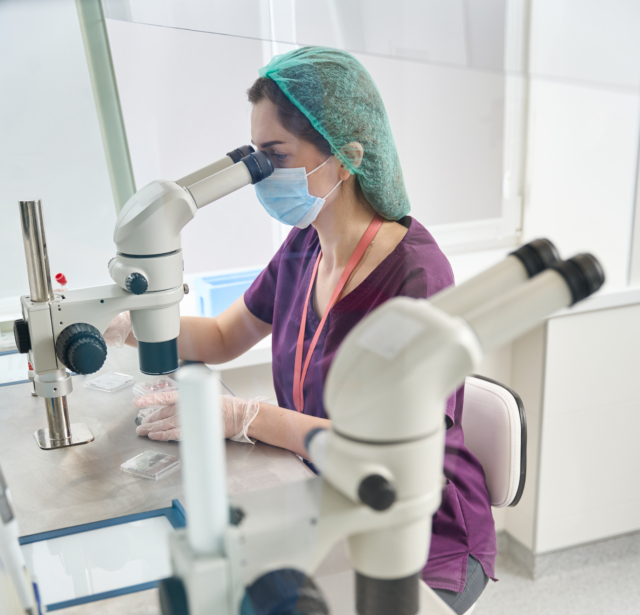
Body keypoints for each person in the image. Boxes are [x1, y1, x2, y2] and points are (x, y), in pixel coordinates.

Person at [106, 46, 496, 613]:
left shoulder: (416, 276)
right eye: (254, 157)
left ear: (345, 156)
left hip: (418, 531)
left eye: (274, 156)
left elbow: (382, 455)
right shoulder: (305, 246)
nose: (259, 175)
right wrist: (134, 325)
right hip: (319, 495)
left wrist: (245, 417)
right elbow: (220, 337)